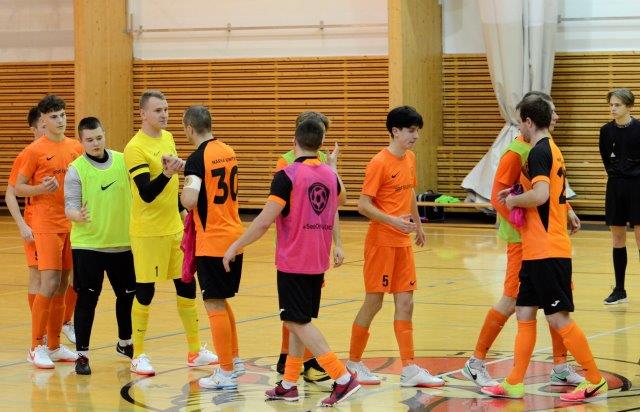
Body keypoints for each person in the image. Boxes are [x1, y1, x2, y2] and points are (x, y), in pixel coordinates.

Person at [222, 118, 359, 406]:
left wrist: (236, 245)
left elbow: (264, 221)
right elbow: (339, 203)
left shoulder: (287, 175)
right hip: (317, 260)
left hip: (294, 261)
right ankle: (289, 383)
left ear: (294, 140)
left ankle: (342, 377)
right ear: (321, 144)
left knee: (295, 321)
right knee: (299, 320)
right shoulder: (329, 174)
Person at [482, 94, 608, 401]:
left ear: (528, 121)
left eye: (520, 123)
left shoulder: (540, 151)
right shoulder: (550, 149)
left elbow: (539, 195)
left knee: (557, 318)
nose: (519, 128)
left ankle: (594, 379)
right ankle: (514, 382)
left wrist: (513, 200)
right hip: (535, 249)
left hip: (548, 249)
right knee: (524, 312)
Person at [462, 92, 584, 387]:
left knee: (559, 302)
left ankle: (560, 366)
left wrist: (567, 209)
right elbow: (498, 197)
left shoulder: (544, 147)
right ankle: (475, 362)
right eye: (552, 111)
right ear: (533, 119)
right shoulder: (516, 152)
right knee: (512, 300)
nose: (556, 117)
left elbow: (548, 189)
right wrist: (524, 223)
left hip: (548, 240)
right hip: (523, 241)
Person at [345, 106, 444, 388]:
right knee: (374, 302)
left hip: (402, 243)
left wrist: (419, 225)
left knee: (406, 303)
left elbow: (409, 191)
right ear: (395, 131)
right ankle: (353, 363)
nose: (416, 136)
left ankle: (409, 368)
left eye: (417, 131)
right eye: (411, 131)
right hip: (381, 243)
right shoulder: (379, 163)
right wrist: (392, 221)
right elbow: (363, 205)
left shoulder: (410, 158)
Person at [124, 90, 217, 375]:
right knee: (145, 291)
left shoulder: (168, 138)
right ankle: (138, 354)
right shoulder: (134, 148)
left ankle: (194, 350)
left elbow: (172, 188)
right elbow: (146, 193)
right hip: (148, 232)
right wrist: (167, 173)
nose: (164, 114)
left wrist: (184, 213)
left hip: (174, 228)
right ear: (143, 114)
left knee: (186, 285)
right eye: (158, 110)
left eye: (165, 109)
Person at [64, 117, 137, 375]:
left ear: (104, 135)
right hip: (88, 246)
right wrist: (77, 215)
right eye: (89, 140)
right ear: (81, 141)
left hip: (122, 244)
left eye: (99, 138)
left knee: (127, 295)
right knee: (87, 299)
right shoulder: (76, 169)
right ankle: (82, 355)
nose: (95, 143)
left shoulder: (122, 161)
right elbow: (70, 206)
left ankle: (125, 343)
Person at [15, 95, 83, 368]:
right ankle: (36, 346)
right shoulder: (34, 151)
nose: (60, 120)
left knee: (64, 283)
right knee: (49, 282)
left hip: (70, 222)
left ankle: (54, 346)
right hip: (45, 224)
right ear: (43, 120)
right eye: (54, 116)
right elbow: (18, 188)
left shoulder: (76, 147)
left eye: (63, 115)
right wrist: (40, 188)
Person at [180, 105, 245, 389]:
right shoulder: (227, 150)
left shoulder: (197, 158)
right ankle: (234, 359)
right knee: (221, 300)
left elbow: (191, 199)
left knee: (214, 303)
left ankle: (226, 372)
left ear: (189, 128)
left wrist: (181, 188)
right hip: (234, 236)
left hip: (212, 241)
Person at [274, 111, 338, 383]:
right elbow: (277, 210)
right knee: (296, 313)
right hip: (296, 247)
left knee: (298, 313)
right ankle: (309, 363)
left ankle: (292, 369)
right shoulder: (286, 164)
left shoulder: (323, 162)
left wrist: (338, 243)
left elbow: (335, 204)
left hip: (316, 247)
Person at [599, 88, 640, 305]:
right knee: (617, 239)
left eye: (617, 105)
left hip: (638, 187)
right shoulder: (606, 131)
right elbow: (606, 159)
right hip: (615, 187)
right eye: (611, 105)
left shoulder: (639, 128)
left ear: (629, 106)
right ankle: (619, 290)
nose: (613, 109)